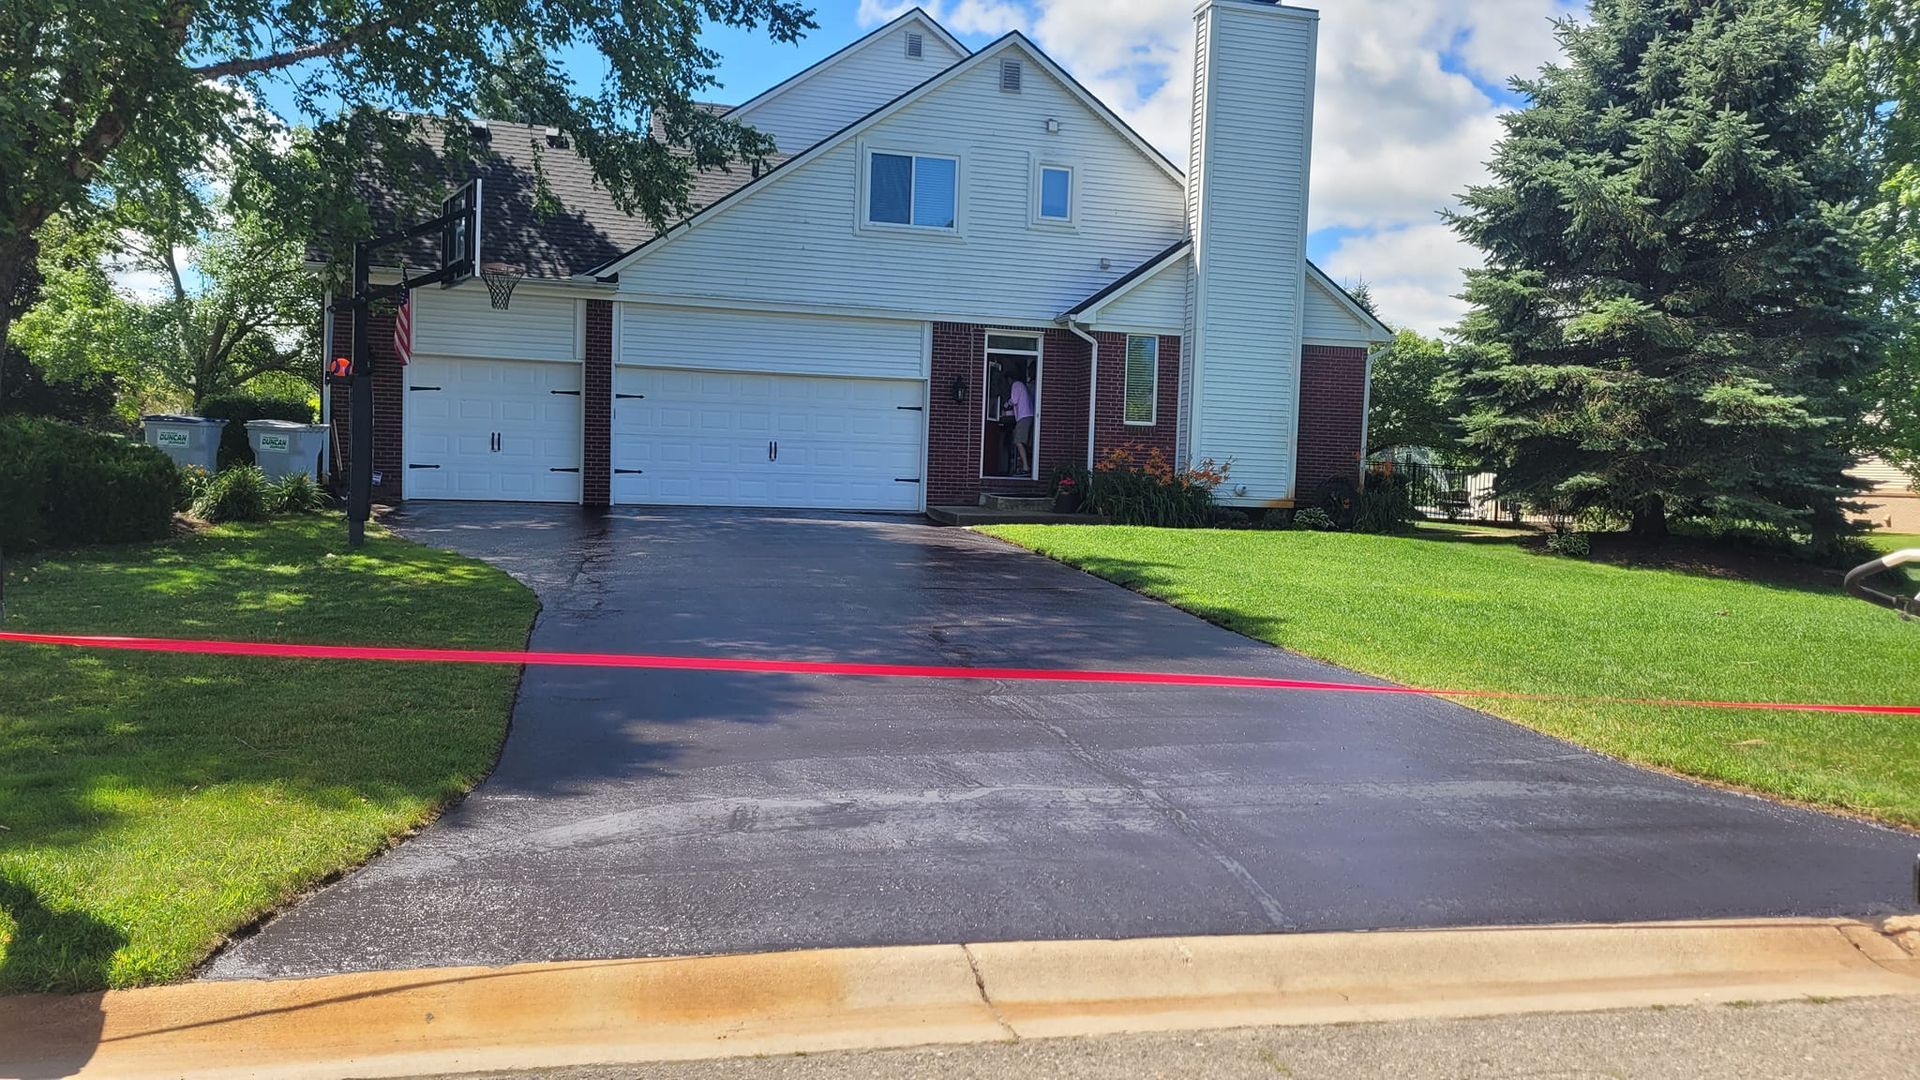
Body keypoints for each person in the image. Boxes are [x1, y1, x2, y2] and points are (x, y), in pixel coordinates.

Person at [1008, 372, 1034, 475]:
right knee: (1023, 442)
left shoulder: (1016, 384)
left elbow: (1014, 401)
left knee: (1018, 441)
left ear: (1010, 379)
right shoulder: (1022, 386)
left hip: (1023, 417)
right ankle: (1024, 465)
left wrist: (1006, 404)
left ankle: (1026, 467)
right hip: (1027, 415)